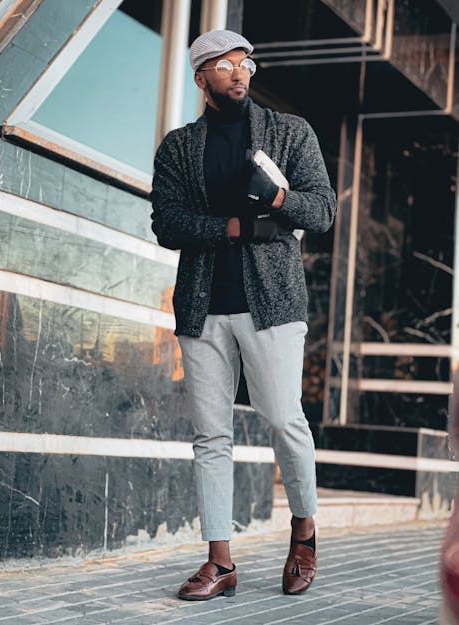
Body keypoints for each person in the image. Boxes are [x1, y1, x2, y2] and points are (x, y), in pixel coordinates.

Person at [151, 29, 336, 601]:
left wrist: (277, 198)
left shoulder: (290, 132)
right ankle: (220, 562)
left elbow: (323, 211)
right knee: (212, 435)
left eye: (244, 63)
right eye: (223, 65)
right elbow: (167, 223)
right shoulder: (179, 147)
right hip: (203, 306)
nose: (237, 72)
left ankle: (303, 532)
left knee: (283, 419)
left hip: (273, 304)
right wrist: (231, 228)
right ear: (201, 76)